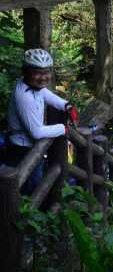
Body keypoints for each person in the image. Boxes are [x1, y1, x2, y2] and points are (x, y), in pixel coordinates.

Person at [3, 49, 78, 195]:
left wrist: (67, 106)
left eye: (47, 72)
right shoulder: (24, 96)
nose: (43, 77)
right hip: (22, 149)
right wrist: (64, 129)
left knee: (33, 182)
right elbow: (36, 132)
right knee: (31, 188)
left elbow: (45, 93)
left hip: (26, 145)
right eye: (38, 72)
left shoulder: (31, 85)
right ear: (26, 71)